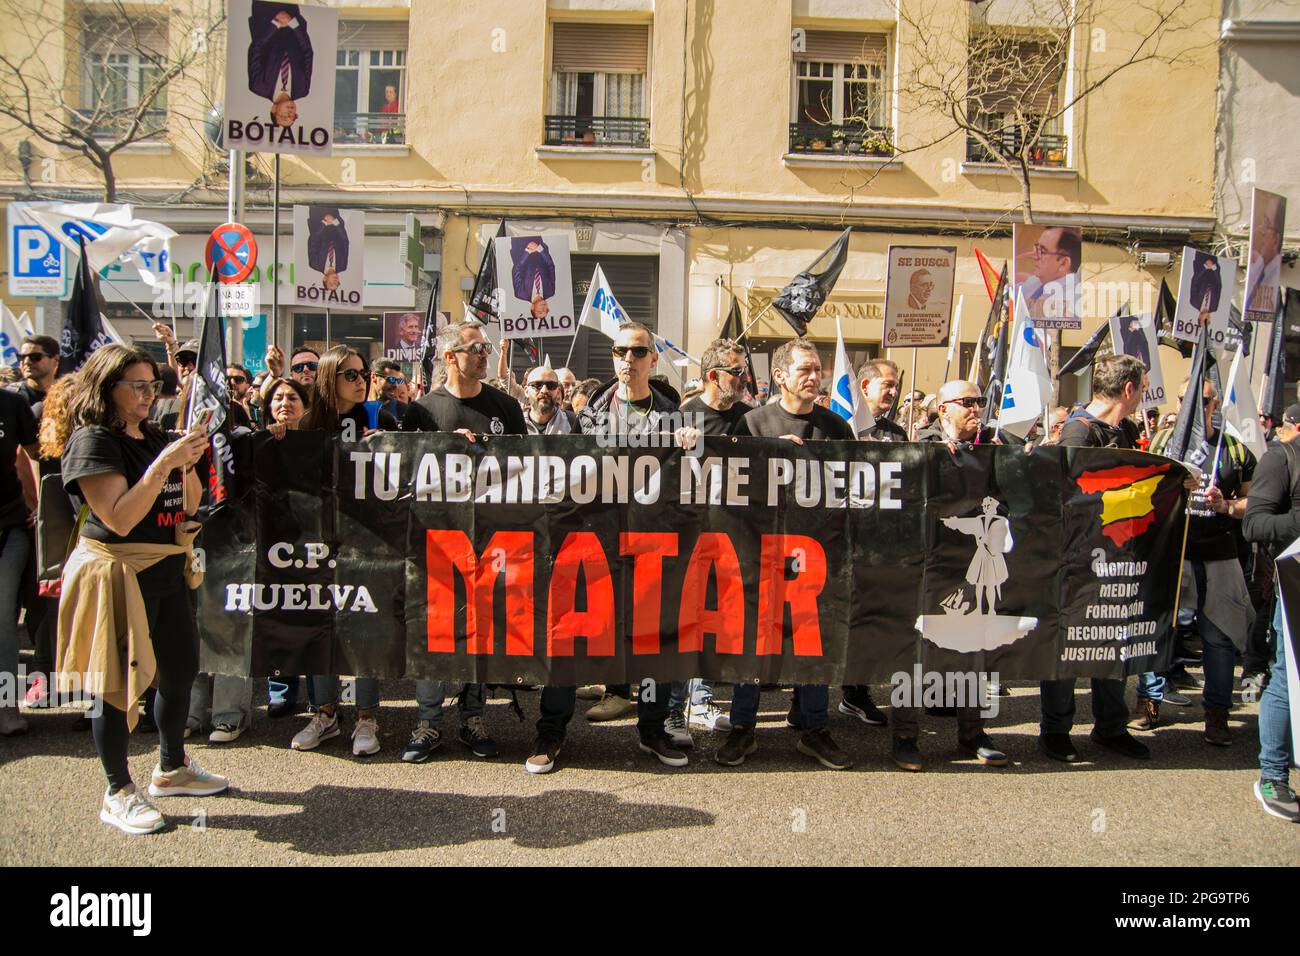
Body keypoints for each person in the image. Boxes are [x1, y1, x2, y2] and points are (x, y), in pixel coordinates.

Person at [54, 344, 227, 835]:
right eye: (140, 386)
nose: (152, 394)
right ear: (109, 388)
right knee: (115, 686)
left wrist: (187, 463)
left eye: (154, 385)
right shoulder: (93, 441)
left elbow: (192, 505)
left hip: (165, 571)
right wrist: (162, 464)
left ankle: (171, 769)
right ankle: (118, 791)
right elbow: (121, 517)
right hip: (117, 573)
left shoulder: (153, 435)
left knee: (179, 671)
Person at [526, 322, 697, 774]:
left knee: (654, 639)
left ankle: (652, 730)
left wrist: (691, 448)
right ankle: (551, 732)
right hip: (595, 545)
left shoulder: (674, 412)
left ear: (653, 359)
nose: (628, 359)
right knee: (568, 636)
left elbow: (693, 477)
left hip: (650, 544)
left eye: (638, 352)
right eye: (620, 351)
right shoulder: (592, 410)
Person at [715, 338, 854, 771]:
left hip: (815, 560)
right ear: (779, 375)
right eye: (805, 370)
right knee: (754, 644)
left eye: (818, 370)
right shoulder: (752, 424)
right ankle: (743, 728)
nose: (815, 377)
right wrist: (768, 458)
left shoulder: (836, 429)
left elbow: (853, 491)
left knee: (811, 646)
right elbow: (726, 489)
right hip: (760, 556)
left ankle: (814, 729)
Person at [401, 321, 525, 762]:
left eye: (486, 348)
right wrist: (441, 447)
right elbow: (404, 476)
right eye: (475, 348)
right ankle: (428, 722)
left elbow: (523, 469)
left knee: (480, 630)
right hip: (437, 540)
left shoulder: (506, 407)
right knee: (434, 631)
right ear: (450, 356)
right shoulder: (423, 410)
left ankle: (473, 718)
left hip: (490, 539)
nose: (484, 354)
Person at [1040, 354, 1155, 763]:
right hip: (1075, 563)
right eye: (1141, 388)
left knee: (1111, 645)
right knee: (1069, 647)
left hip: (1113, 560)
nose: (1142, 395)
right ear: (1128, 389)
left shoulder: (1123, 429)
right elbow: (1067, 498)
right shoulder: (1078, 431)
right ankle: (1055, 731)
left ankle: (1111, 728)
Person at [898, 379, 1010, 770]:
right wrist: (922, 455)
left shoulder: (994, 445)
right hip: (925, 562)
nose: (976, 408)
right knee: (915, 650)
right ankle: (905, 737)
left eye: (979, 401)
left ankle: (973, 732)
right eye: (967, 402)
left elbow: (1016, 494)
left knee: (974, 649)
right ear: (943, 408)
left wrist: (1016, 459)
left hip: (971, 566)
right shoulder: (919, 442)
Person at [292, 346, 396, 757]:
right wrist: (279, 438)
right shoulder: (304, 425)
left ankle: (367, 717)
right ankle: (325, 713)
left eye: (362, 373)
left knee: (364, 628)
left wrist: (385, 446)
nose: (359, 380)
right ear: (329, 379)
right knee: (321, 626)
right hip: (317, 542)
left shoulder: (380, 418)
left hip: (367, 540)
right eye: (349, 375)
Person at [1146, 378, 1255, 745]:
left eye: (1202, 399)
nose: (1192, 404)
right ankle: (1149, 707)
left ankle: (1217, 714)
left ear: (1215, 404)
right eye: (1184, 398)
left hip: (1217, 557)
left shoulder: (1235, 450)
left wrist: (1226, 506)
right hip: (1170, 555)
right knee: (1158, 632)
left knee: (1218, 638)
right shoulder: (1162, 444)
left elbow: (1252, 503)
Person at [1242, 402, 1300, 821]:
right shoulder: (1282, 458)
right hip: (1294, 586)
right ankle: (1273, 775)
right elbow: (1255, 525)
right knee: (1286, 672)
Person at [0, 386, 39, 735]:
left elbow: (36, 455)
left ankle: (6, 707)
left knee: (3, 619)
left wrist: (40, 506)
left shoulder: (12, 404)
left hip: (9, 527)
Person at [248, 2, 313, 128]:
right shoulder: (302, 89)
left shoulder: (258, 87)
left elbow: (256, 49)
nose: (290, 113)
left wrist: (276, 23)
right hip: (291, 17)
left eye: (283, 117)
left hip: (266, 18)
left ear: (274, 109)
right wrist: (293, 23)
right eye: (293, 116)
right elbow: (307, 53)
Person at [1017, 226, 1082, 322]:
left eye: (1042, 251)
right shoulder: (1040, 280)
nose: (1034, 256)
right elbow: (1016, 295)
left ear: (1063, 263)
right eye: (1037, 248)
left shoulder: (1070, 302)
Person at [522, 365, 577, 435]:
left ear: (558, 392)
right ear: (526, 391)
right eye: (537, 385)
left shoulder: (573, 422)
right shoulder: (514, 423)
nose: (544, 390)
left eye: (551, 385)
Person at [510, 238, 555, 321]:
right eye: (546, 310)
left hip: (521, 248)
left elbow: (517, 269)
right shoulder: (550, 291)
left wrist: (527, 251)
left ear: (532, 307)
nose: (544, 308)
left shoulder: (521, 294)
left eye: (540, 311)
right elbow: (550, 266)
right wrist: (540, 249)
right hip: (539, 245)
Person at [9, 335, 60, 408]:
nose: (27, 362)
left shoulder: (69, 396)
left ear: (55, 360)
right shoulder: (11, 395)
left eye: (35, 356)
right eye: (22, 357)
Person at [306, 207, 349, 292]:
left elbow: (313, 240)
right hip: (335, 222)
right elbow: (345, 242)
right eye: (337, 283)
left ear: (325, 279)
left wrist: (324, 222)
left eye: (331, 284)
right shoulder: (342, 266)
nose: (336, 281)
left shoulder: (315, 264)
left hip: (318, 221)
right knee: (331, 197)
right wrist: (335, 222)